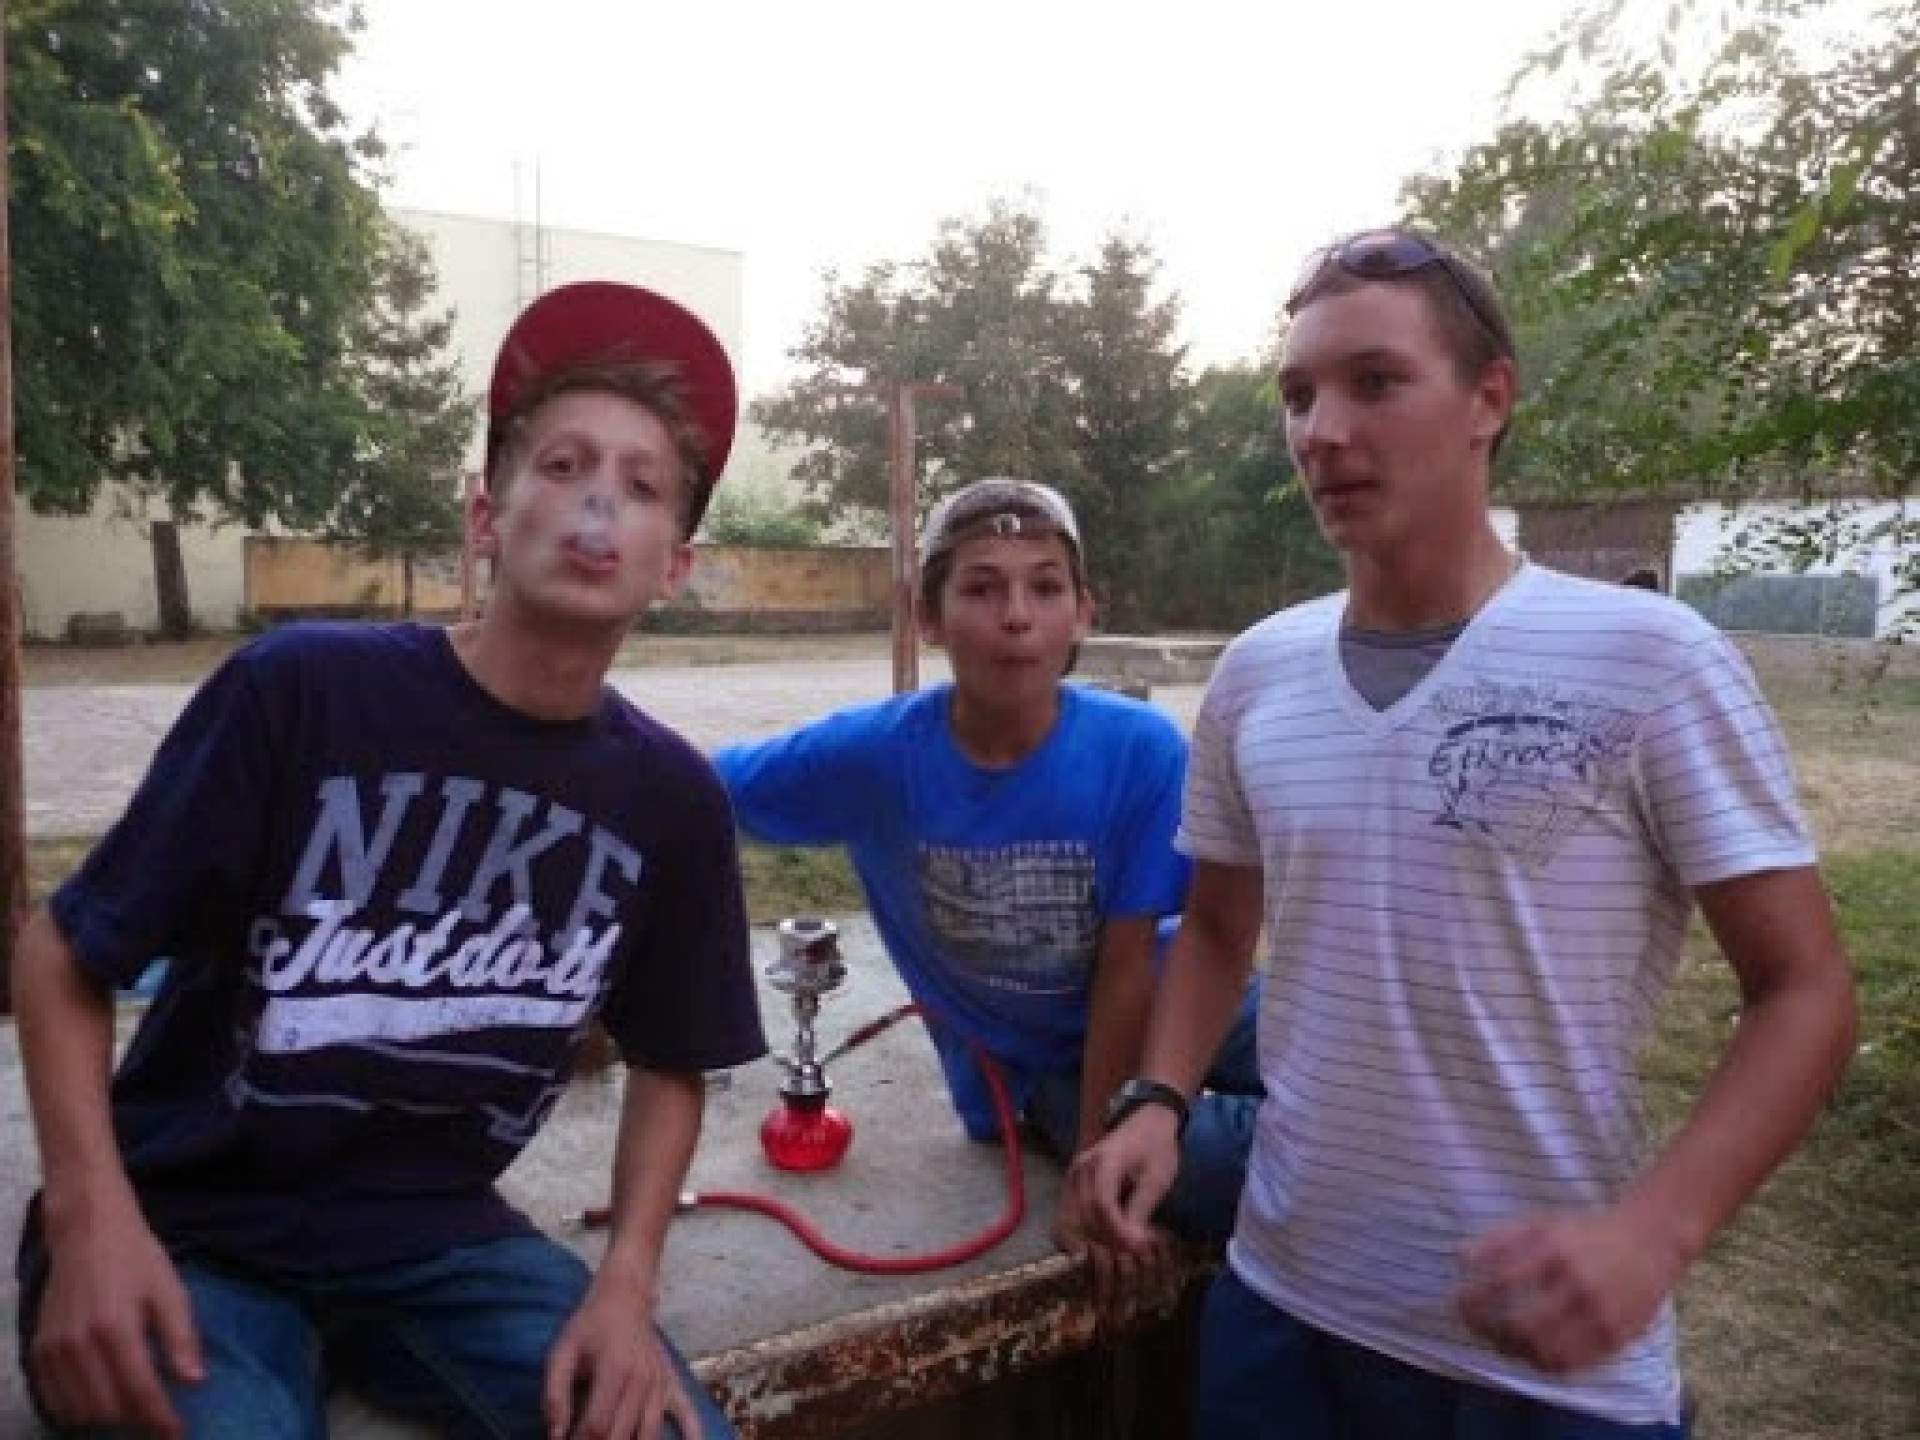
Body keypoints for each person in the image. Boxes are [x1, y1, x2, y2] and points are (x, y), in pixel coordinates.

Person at [1066, 229, 1858, 1437]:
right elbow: (1219, 926)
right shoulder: (1259, 673)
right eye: (1298, 395)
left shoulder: (1650, 660)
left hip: (1539, 1370)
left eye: (1375, 382)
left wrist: (1655, 1232)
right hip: (1282, 1307)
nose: (1321, 432)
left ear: (1490, 399)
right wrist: (1158, 1101)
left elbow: (1804, 989)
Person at [13, 281, 768, 1440]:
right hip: (189, 1223)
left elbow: (672, 1062)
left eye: (641, 485)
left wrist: (625, 1285)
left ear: (674, 564)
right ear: (486, 514)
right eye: (563, 465)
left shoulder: (668, 797)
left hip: (440, 1241)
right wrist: (87, 1217)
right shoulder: (303, 690)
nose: (597, 506)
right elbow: (62, 953)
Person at [711, 477, 1262, 1262]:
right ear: (927, 615)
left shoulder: (1139, 749)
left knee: (1364, 1082)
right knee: (1218, 1167)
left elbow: (1130, 964)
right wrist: (1097, 1164)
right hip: (1038, 1067)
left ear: (1083, 611)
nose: (1017, 616)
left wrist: (1106, 1151)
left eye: (1046, 587)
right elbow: (695, 791)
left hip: (1175, 998)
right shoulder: (873, 756)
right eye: (981, 588)